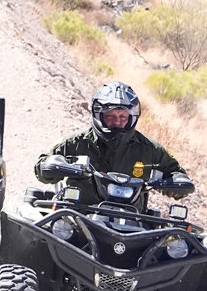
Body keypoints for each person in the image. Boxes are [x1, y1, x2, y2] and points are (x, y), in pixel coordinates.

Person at [36, 81, 193, 203]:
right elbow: (41, 167)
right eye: (110, 116)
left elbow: (176, 172)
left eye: (122, 117)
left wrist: (177, 185)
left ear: (131, 118)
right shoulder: (76, 142)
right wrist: (53, 167)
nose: (117, 122)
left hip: (132, 225)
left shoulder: (149, 149)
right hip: (79, 214)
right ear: (99, 116)